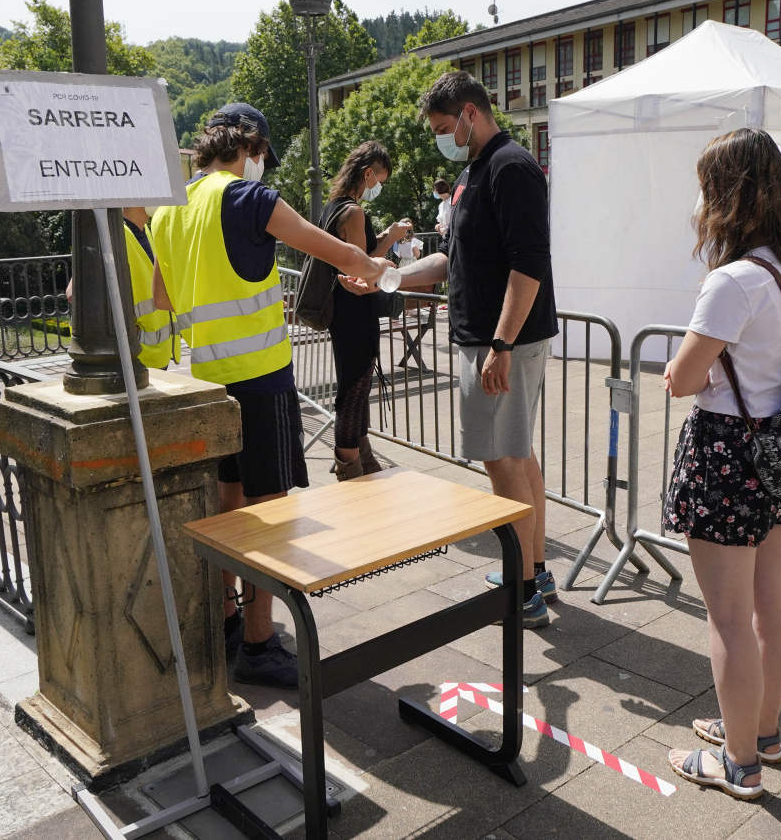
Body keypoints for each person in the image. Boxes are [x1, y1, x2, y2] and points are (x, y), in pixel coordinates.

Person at [150, 103, 391, 687]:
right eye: (263, 157)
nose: (264, 167)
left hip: (208, 378)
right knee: (270, 511)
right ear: (250, 148)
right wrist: (371, 269)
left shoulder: (169, 210)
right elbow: (326, 246)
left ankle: (229, 615)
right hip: (261, 379)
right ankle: (260, 642)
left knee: (228, 502)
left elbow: (160, 298)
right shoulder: (248, 198)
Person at [659, 128, 781, 800]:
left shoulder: (732, 279)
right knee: (771, 605)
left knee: (727, 617)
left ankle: (738, 764)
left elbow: (683, 378)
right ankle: (763, 733)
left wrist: (674, 366)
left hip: (728, 452)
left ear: (725, 195)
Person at [397, 72, 559, 628]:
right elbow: (453, 259)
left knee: (502, 460)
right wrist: (392, 277)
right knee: (516, 454)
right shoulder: (476, 170)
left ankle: (524, 586)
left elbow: (529, 261)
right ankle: (534, 570)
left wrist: (501, 344)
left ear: (470, 112)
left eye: (446, 127)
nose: (444, 137)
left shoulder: (510, 167)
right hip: (494, 339)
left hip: (502, 341)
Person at [321, 141, 413, 479]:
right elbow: (362, 264)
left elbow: (356, 254)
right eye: (380, 180)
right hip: (356, 311)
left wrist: (388, 235)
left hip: (341, 311)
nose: (379, 187)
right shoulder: (354, 211)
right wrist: (383, 262)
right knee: (355, 389)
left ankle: (362, 457)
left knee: (354, 384)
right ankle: (350, 467)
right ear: (368, 173)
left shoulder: (333, 207)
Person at [64, 206, 176, 370]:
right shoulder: (111, 234)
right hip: (132, 359)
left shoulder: (146, 231)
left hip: (154, 356)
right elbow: (73, 293)